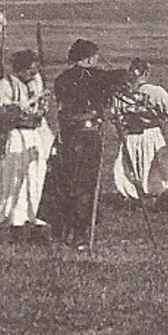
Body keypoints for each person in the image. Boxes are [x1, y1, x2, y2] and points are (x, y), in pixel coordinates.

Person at [38, 40, 122, 249]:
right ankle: (80, 233)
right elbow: (120, 77)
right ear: (88, 58)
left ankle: (61, 230)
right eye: (95, 57)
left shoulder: (62, 79)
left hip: (66, 136)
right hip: (86, 136)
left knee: (64, 181)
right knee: (84, 183)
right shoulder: (94, 77)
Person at [0, 50, 54, 242]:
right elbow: (5, 114)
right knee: (15, 180)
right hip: (16, 135)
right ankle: (16, 225)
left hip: (35, 134)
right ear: (19, 69)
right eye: (29, 70)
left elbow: (42, 111)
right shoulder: (5, 86)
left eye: (35, 70)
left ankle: (37, 221)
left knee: (36, 178)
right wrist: (26, 106)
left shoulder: (37, 81)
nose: (33, 74)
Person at [111, 59, 168, 202]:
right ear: (147, 73)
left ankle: (139, 194)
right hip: (144, 134)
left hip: (136, 134)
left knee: (141, 163)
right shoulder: (154, 91)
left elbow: (115, 115)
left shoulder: (122, 93)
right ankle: (145, 194)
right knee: (147, 163)